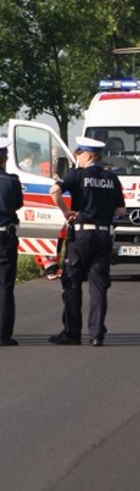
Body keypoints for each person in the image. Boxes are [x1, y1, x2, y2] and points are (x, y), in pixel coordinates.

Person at [48, 136, 126, 346]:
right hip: (103, 235)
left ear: (89, 155)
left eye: (79, 154)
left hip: (81, 236)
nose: (77, 158)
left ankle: (72, 333)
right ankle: (96, 334)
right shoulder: (112, 178)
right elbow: (121, 210)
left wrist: (66, 212)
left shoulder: (77, 175)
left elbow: (54, 190)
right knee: (98, 286)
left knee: (72, 283)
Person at [0, 137, 24, 346]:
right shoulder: (12, 181)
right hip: (4, 236)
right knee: (5, 286)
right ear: (4, 158)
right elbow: (17, 205)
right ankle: (3, 335)